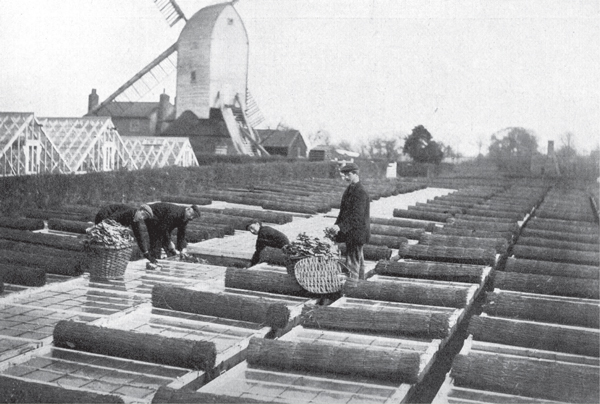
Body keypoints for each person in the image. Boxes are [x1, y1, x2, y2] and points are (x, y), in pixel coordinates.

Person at [330, 162, 370, 281]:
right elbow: (343, 212)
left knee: (352, 263)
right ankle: (361, 286)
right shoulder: (350, 189)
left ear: (355, 174)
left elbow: (357, 217)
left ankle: (352, 288)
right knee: (358, 261)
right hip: (352, 232)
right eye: (344, 175)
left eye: (348, 175)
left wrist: (341, 227)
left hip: (357, 233)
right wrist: (336, 226)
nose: (346, 178)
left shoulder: (360, 192)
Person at [145, 203, 202, 269]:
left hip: (163, 220)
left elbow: (181, 234)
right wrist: (169, 242)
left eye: (194, 217)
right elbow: (163, 228)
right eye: (191, 215)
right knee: (157, 238)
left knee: (166, 240)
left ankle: (166, 259)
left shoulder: (185, 218)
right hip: (152, 214)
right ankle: (154, 262)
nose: (191, 218)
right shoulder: (175, 213)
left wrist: (181, 249)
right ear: (188, 209)